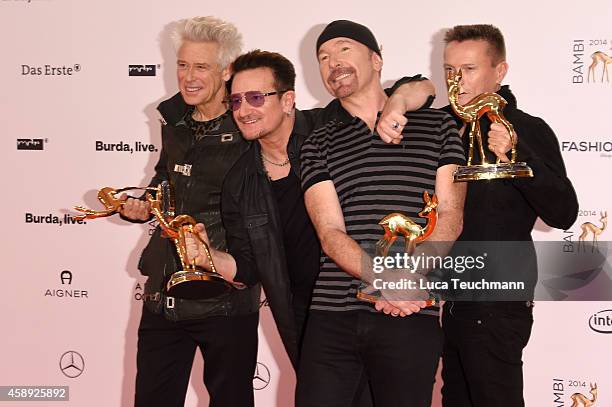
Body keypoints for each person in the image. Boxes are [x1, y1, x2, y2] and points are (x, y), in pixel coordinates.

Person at [120, 16, 435, 407]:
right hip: (308, 313)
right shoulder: (241, 179)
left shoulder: (326, 129)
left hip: (364, 296)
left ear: (287, 100)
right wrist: (210, 257)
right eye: (236, 100)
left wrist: (400, 101)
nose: (244, 110)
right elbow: (249, 266)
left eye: (256, 98)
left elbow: (421, 88)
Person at [295, 20, 467, 407]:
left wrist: (409, 280)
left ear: (376, 59)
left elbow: (450, 216)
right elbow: (330, 232)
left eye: (343, 49)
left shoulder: (438, 124)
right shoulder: (317, 141)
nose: (332, 62)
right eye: (322, 57)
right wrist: (386, 280)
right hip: (332, 317)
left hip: (410, 316)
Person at [440, 24, 579, 407]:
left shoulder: (528, 130)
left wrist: (519, 158)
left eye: (467, 69)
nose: (456, 81)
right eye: (449, 70)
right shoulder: (442, 128)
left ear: (499, 72)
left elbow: (565, 212)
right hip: (447, 298)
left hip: (498, 299)